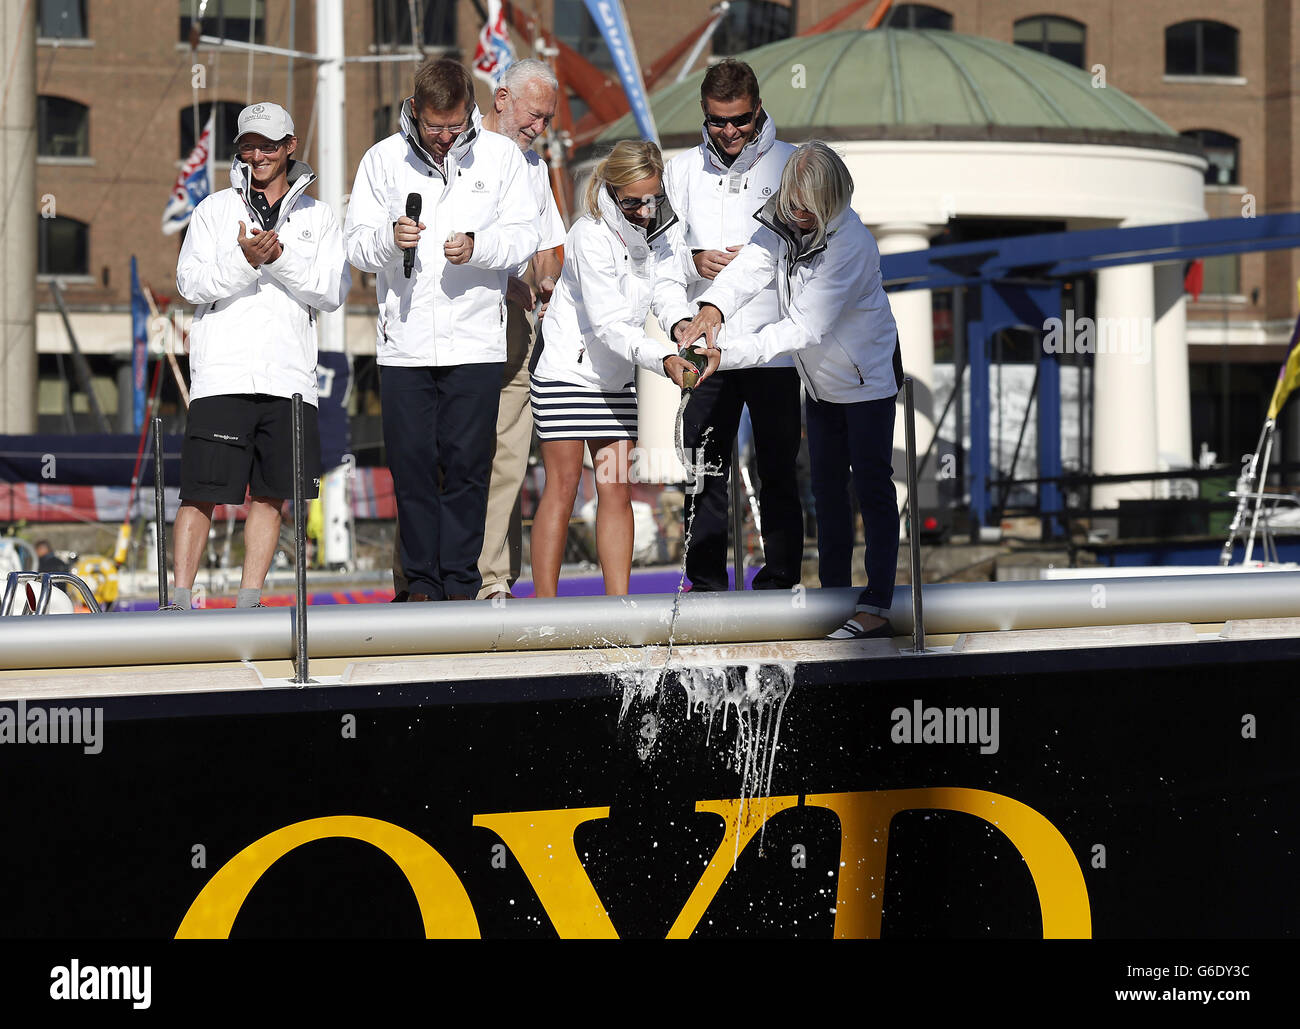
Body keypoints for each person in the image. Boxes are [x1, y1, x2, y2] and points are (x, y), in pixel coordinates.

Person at [675, 142, 903, 640]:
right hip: (822, 385)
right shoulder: (788, 223)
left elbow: (803, 327)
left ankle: (876, 603)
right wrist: (711, 308)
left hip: (866, 381)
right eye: (791, 204)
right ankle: (835, 596)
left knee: (871, 487)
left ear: (829, 202)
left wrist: (725, 354)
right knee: (825, 490)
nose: (795, 214)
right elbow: (752, 266)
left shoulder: (851, 245)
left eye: (805, 208)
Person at [346, 59, 539, 603]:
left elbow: (524, 236)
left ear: (470, 111)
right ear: (413, 111)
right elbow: (355, 243)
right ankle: (420, 586)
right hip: (404, 344)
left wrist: (479, 248)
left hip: (476, 341)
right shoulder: (382, 160)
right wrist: (390, 239)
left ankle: (461, 583)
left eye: (455, 126)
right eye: (434, 127)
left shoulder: (501, 158)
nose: (445, 138)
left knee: (468, 468)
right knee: (410, 471)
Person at [170, 101, 351, 611]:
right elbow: (189, 283)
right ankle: (181, 602)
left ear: (290, 147)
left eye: (268, 145)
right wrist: (246, 261)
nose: (257, 154)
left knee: (272, 493)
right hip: (222, 375)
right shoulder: (213, 210)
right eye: (248, 145)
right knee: (199, 490)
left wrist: (280, 258)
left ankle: (249, 603)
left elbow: (333, 291)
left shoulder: (319, 216)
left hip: (290, 377)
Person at [529, 140, 698, 597]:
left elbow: (666, 288)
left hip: (617, 379)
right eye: (633, 202)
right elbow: (607, 325)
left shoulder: (661, 230)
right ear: (612, 189)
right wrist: (663, 360)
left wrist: (682, 323)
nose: (644, 211)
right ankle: (543, 609)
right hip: (566, 371)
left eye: (652, 199)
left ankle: (618, 606)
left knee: (616, 490)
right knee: (562, 489)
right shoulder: (588, 234)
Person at [662, 58, 804, 594]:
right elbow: (657, 260)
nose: (729, 132)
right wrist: (692, 262)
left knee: (778, 469)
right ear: (704, 113)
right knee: (704, 470)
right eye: (718, 121)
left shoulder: (792, 165)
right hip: (707, 346)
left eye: (741, 120)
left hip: (772, 347)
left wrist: (766, 258)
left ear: (759, 108)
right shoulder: (679, 172)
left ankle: (782, 580)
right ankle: (704, 586)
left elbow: (815, 252)